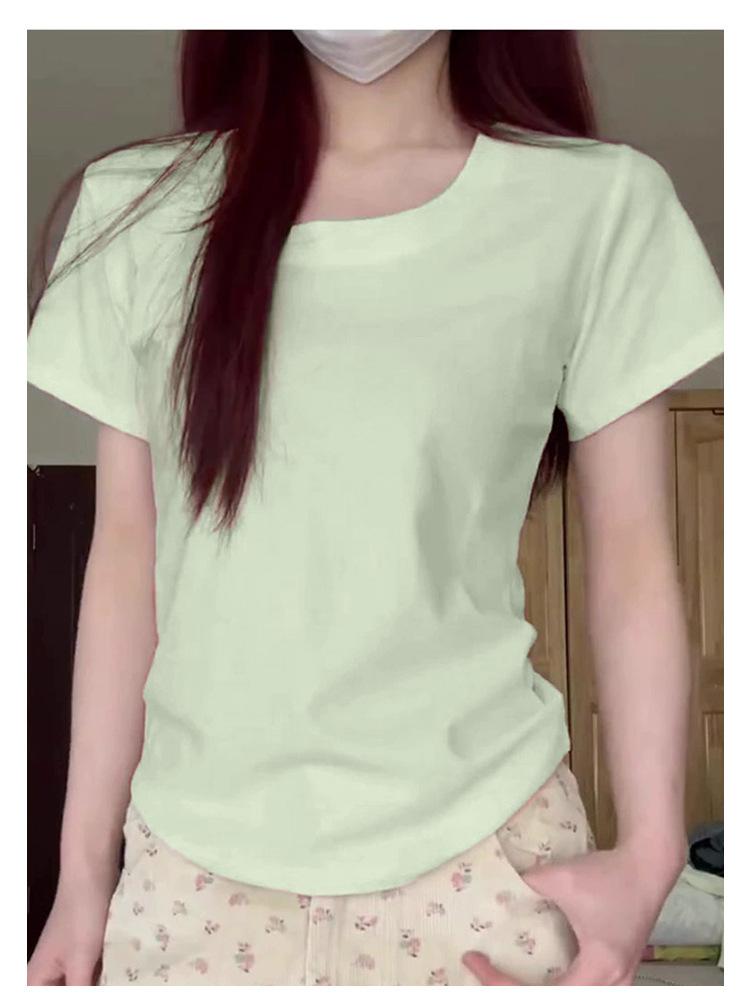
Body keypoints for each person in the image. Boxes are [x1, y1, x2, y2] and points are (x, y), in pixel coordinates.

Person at [26, 30, 723, 986]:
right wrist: (81, 874)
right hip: (189, 875)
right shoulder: (138, 208)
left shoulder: (599, 205)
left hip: (489, 860)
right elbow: (124, 559)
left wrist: (653, 850)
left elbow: (635, 555)